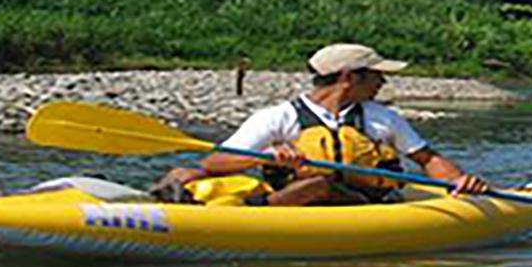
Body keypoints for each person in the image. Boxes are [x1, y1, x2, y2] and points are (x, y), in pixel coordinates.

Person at [156, 43, 489, 206]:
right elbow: (216, 161)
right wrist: (265, 158)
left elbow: (427, 159)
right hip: (296, 201)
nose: (383, 82)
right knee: (195, 173)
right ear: (348, 77)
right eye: (375, 75)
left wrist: (459, 181)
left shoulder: (382, 117)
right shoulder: (278, 117)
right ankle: (186, 197)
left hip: (366, 204)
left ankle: (242, 214)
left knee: (320, 184)